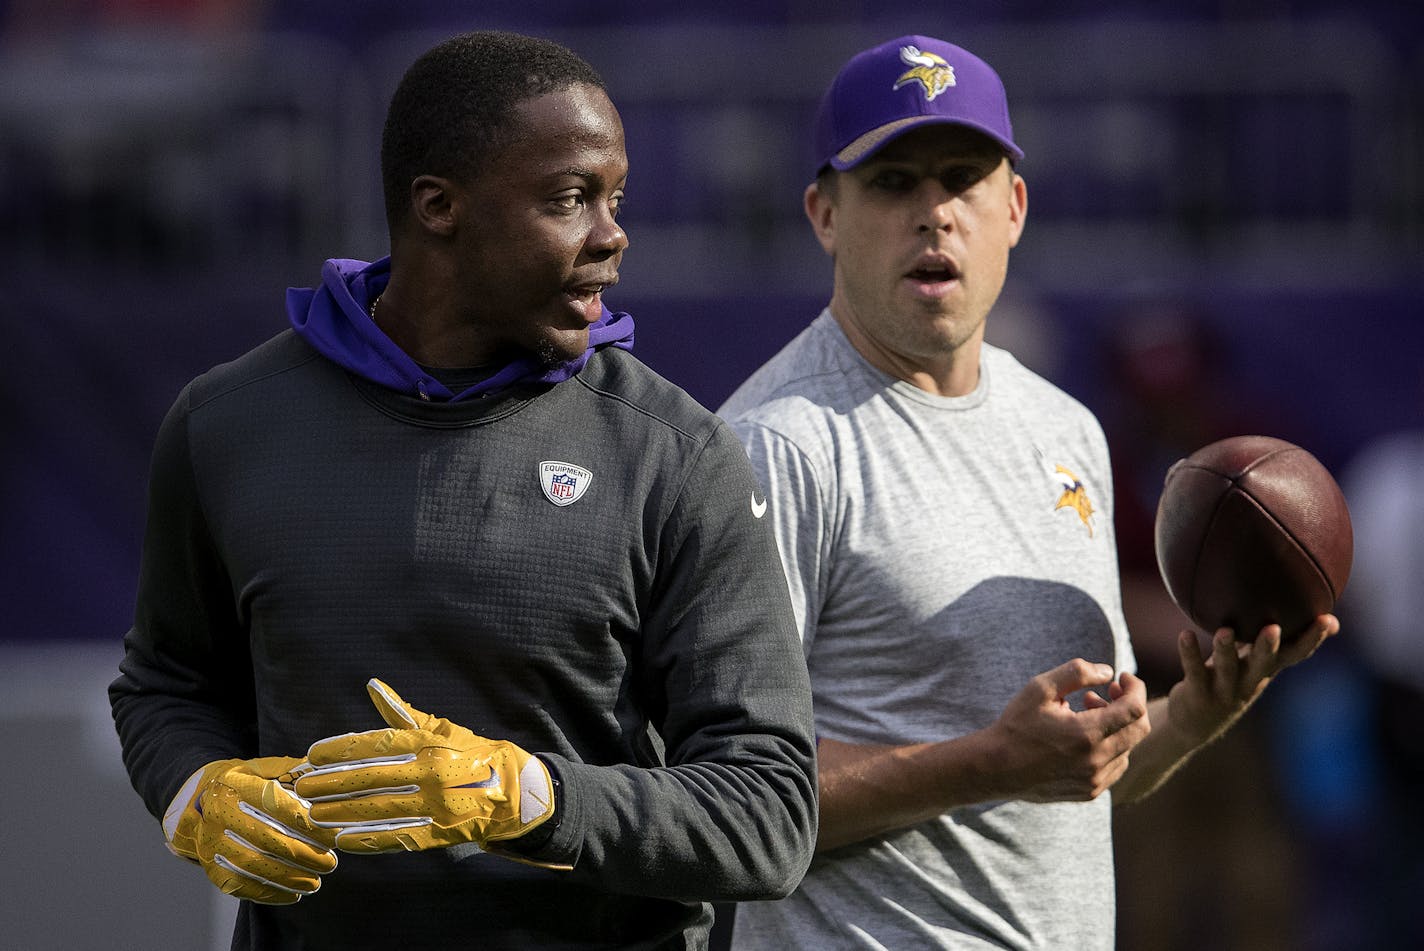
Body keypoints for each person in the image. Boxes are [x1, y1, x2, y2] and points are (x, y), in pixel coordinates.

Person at [109, 31, 816, 951]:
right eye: (571, 199)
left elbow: (767, 812)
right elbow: (166, 684)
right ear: (438, 206)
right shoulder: (225, 424)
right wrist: (193, 791)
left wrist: (528, 796)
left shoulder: (676, 453)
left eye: (616, 198)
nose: (612, 234)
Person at [716, 34, 1337, 949]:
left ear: (1012, 207)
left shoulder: (1066, 428)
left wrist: (1197, 712)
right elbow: (728, 797)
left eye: (962, 179)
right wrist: (988, 763)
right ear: (823, 215)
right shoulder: (775, 446)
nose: (935, 214)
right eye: (892, 184)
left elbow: (1089, 767)